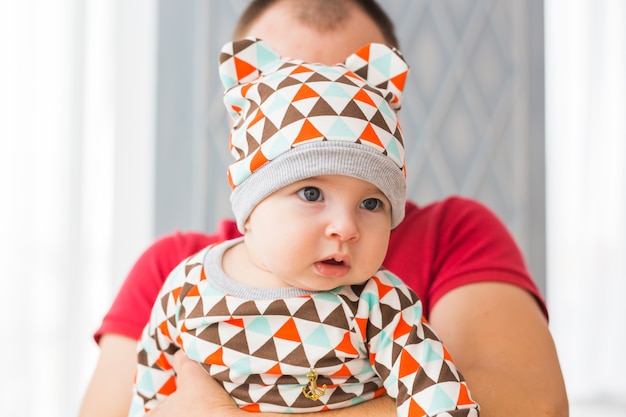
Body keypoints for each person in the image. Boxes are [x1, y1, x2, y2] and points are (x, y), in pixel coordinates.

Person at [78, 1, 568, 417]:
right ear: (243, 136)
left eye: (348, 103)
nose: (345, 227)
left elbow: (530, 404)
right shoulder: (175, 271)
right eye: (295, 107)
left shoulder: (451, 236)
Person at [128, 37, 479, 417]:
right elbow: (153, 389)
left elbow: (440, 398)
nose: (345, 227)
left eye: (371, 203)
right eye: (311, 193)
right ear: (250, 204)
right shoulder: (187, 287)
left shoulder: (379, 304)